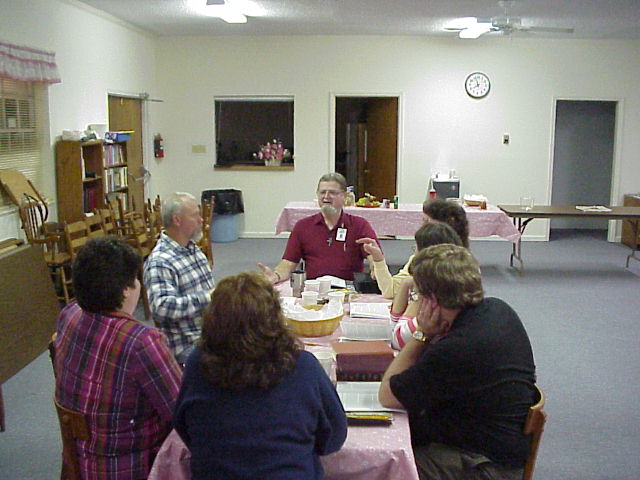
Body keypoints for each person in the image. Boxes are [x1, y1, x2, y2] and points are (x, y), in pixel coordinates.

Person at [378, 244, 536, 480]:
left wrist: (422, 334)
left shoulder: (457, 348)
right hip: (498, 445)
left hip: (485, 466)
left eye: (418, 296)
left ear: (431, 301)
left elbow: (388, 396)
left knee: (380, 465)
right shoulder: (498, 309)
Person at [174, 271, 347, 479]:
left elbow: (183, 425)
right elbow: (334, 437)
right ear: (276, 318)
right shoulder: (303, 365)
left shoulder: (197, 364)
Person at [53, 236, 181, 480]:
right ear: (125, 289)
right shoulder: (141, 342)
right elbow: (181, 414)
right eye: (136, 280)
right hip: (128, 467)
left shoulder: (70, 313)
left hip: (79, 456)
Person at [258, 172, 380, 283]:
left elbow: (374, 258)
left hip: (349, 290)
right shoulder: (302, 226)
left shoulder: (360, 225)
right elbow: (288, 263)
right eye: (322, 192)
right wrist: (276, 276)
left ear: (345, 197)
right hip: (314, 289)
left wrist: (376, 269)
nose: (326, 197)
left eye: (332, 193)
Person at [144, 192, 215, 364]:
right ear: (177, 220)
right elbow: (161, 308)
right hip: (189, 345)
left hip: (209, 332)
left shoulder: (193, 249)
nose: (201, 220)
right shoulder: (161, 261)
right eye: (195, 215)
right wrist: (208, 297)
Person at [364, 198, 471, 299]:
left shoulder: (459, 266)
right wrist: (378, 259)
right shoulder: (420, 258)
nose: (421, 227)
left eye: (426, 222)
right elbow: (390, 290)